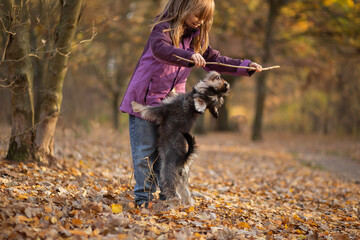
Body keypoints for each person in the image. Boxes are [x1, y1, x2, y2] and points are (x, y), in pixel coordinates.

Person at [119, 0, 262, 207]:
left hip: (171, 108)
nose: (200, 21)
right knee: (145, 151)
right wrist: (189, 56)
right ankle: (144, 200)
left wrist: (245, 67)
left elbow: (217, 60)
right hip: (143, 100)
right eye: (197, 15)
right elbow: (161, 50)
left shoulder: (196, 40)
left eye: (204, 18)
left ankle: (167, 198)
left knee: (169, 153)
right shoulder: (162, 30)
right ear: (182, 8)